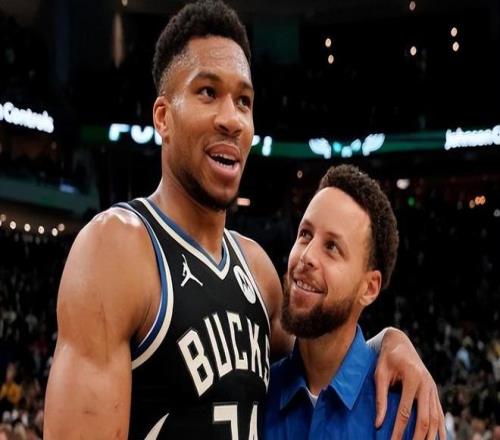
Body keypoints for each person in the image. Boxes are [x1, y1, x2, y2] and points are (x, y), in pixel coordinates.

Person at [44, 1, 444, 439]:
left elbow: (327, 347)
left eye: (244, 101)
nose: (231, 119)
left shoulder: (259, 273)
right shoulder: (114, 249)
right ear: (163, 117)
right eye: (207, 92)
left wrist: (389, 341)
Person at [264, 165, 443, 439]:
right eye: (305, 234)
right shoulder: (256, 391)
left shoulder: (409, 416)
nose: (307, 256)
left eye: (332, 247)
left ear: (369, 288)